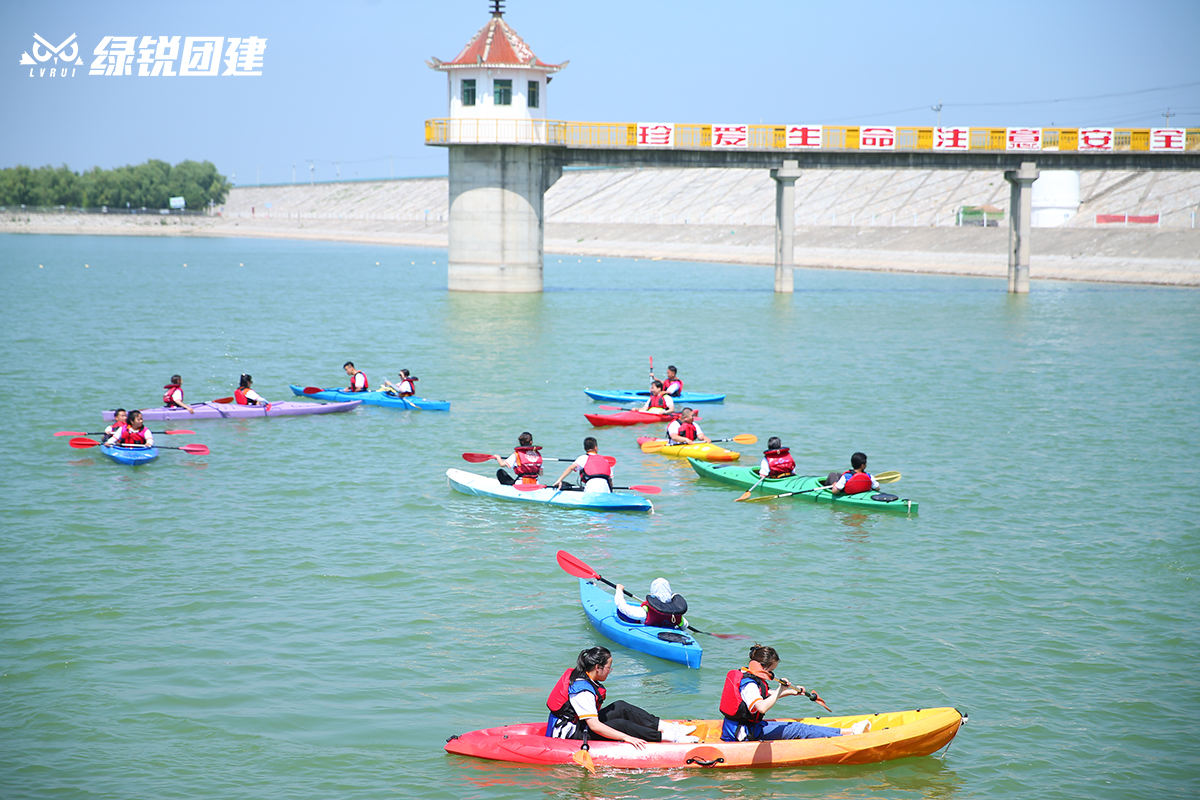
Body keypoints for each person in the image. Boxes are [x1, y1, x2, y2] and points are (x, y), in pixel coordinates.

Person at [546, 646, 699, 744]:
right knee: (620, 725)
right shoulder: (582, 690)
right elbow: (594, 726)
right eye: (609, 667)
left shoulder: (586, 674)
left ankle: (669, 728)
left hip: (580, 724)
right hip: (569, 735)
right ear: (597, 667)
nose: (610, 671)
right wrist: (627, 737)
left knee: (620, 707)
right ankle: (671, 738)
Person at [720, 645, 871, 742]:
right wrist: (780, 689)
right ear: (763, 668)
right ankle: (847, 739)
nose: (773, 674)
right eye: (771, 671)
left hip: (749, 726)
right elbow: (761, 707)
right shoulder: (750, 684)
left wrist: (791, 692)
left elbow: (766, 694)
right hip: (743, 732)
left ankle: (849, 731)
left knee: (801, 726)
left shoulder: (751, 679)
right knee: (797, 728)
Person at [614, 578, 688, 630]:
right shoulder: (676, 612)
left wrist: (619, 590)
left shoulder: (644, 612)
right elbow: (685, 625)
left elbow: (623, 607)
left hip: (649, 633)